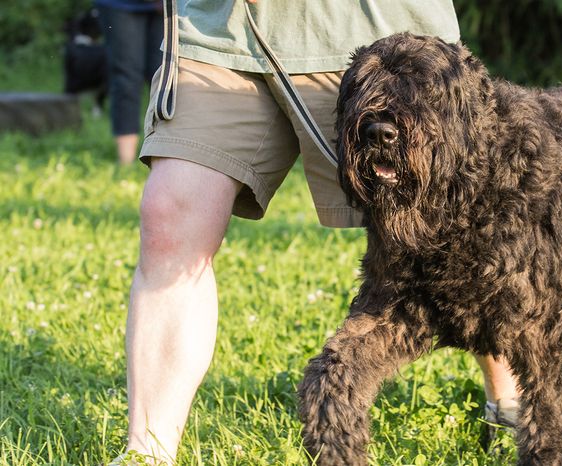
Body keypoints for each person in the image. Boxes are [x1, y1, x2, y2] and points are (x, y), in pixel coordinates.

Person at [119, 1, 519, 463]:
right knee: (169, 218)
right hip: (221, 33)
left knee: (461, 234)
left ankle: (509, 404)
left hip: (374, 34)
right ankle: (147, 449)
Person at [95, 0, 163, 165]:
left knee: (165, 78)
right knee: (126, 77)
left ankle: (166, 155)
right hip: (119, 5)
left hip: (168, 5)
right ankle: (126, 162)